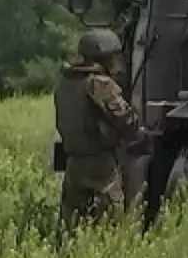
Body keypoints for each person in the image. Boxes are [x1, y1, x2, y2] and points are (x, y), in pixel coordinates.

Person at [53, 27, 142, 227]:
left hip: (74, 161)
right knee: (111, 221)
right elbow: (124, 118)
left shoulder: (67, 82)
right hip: (100, 164)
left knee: (72, 224)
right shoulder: (99, 84)